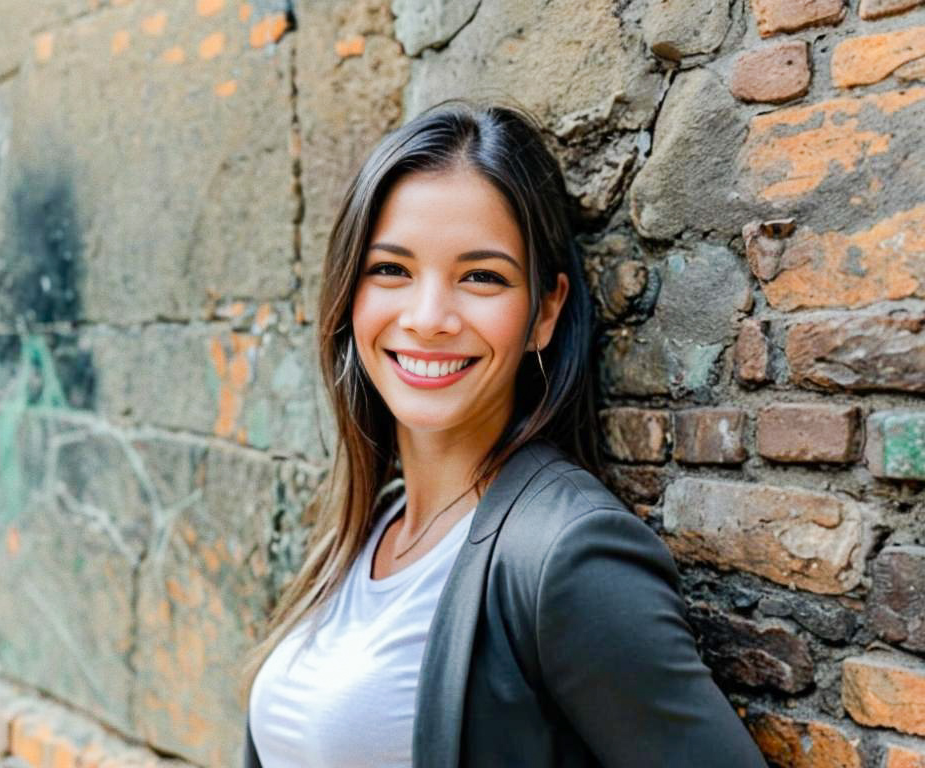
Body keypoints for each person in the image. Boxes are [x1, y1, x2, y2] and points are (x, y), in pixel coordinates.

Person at [239, 99, 768, 767]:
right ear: (350, 293)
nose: (429, 318)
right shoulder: (366, 527)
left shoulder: (568, 557)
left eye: (481, 277)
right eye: (391, 270)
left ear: (544, 312)